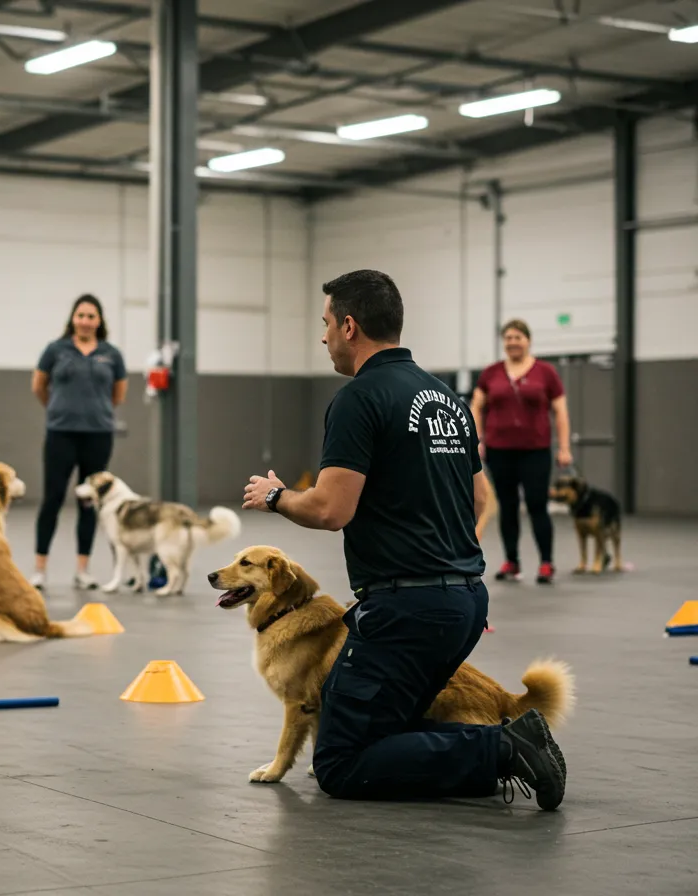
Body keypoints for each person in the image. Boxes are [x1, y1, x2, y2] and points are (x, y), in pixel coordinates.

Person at [241, 269, 566, 812]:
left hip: (406, 610)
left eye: (326, 324)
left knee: (339, 762)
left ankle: (503, 748)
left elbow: (330, 509)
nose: (323, 337)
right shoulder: (447, 398)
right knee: (390, 724)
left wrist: (276, 496)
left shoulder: (358, 399)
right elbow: (479, 500)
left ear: (349, 326)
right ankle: (490, 753)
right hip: (465, 601)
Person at [30, 294, 128, 590]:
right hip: (60, 433)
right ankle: (39, 569)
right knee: (52, 499)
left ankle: (82, 570)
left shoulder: (112, 354)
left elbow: (118, 395)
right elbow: (38, 386)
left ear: (99, 321)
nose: (85, 321)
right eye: (81, 315)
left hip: (98, 435)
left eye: (91, 316)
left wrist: (96, 413)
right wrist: (58, 409)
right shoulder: (55, 350)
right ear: (73, 319)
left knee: (89, 503)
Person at [470, 319, 572, 584]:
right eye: (508, 338)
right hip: (499, 451)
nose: (513, 342)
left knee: (537, 505)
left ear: (528, 340)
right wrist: (476, 440)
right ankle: (511, 562)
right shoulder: (491, 373)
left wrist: (564, 448)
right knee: (508, 507)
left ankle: (546, 563)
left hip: (535, 451)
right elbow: (476, 406)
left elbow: (560, 411)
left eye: (518, 337)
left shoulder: (546, 372)